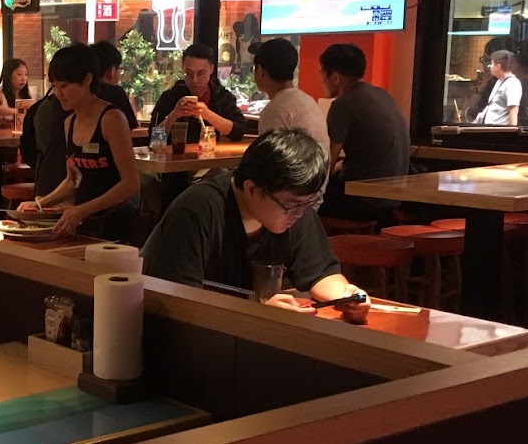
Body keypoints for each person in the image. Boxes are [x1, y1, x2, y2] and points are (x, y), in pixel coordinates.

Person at [140, 128, 369, 319]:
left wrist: (345, 294)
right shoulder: (197, 211)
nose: (300, 213)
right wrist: (256, 314)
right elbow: (177, 304)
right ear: (252, 189)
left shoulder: (294, 205)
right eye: (292, 205)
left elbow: (321, 272)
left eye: (307, 203)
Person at [22, 44, 138, 241]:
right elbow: (72, 180)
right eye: (54, 86)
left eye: (64, 86)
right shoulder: (69, 122)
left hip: (113, 224)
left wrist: (82, 210)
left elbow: (131, 184)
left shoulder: (112, 119)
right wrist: (40, 204)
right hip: (83, 223)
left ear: (87, 80)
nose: (58, 93)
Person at [317, 43, 410, 221]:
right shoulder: (383, 94)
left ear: (335, 77)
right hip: (393, 198)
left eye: (321, 72)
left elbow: (327, 163)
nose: (321, 79)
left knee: (300, 203)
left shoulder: (343, 104)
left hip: (363, 201)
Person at [149, 43, 246, 144]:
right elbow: (153, 140)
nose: (194, 80)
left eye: (201, 73)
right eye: (189, 73)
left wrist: (208, 115)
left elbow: (238, 132)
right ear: (182, 69)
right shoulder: (170, 97)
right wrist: (174, 114)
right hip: (174, 153)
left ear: (211, 69)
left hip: (209, 153)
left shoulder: (222, 96)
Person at [254, 38, 330, 157]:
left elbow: (268, 161)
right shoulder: (308, 101)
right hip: (319, 169)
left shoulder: (275, 110)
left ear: (260, 71)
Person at [89, 41, 138, 130]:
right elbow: (130, 127)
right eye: (119, 69)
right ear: (111, 71)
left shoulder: (82, 91)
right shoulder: (116, 93)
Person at [472, 49, 521, 126]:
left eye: (491, 63)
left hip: (498, 129)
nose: (490, 66)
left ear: (498, 66)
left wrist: (511, 130)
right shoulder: (499, 81)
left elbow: (513, 111)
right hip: (488, 127)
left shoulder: (512, 83)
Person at [0, 58, 31, 124]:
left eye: (26, 74)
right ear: (9, 76)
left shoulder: (25, 97)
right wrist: (17, 111)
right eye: (19, 74)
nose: (23, 78)